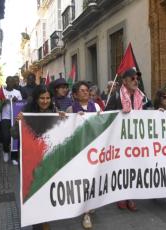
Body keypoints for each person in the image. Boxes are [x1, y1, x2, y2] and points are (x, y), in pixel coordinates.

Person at [15, 85, 65, 230]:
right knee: (34, 191)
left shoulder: (55, 112)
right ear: (36, 99)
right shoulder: (26, 113)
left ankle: (44, 221)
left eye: (47, 98)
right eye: (42, 98)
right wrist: (19, 122)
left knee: (46, 191)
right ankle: (39, 223)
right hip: (30, 160)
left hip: (48, 159)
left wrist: (64, 119)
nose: (45, 101)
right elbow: (13, 134)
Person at [105, 68, 145, 211]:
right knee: (122, 167)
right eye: (132, 78)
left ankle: (131, 196)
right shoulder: (116, 96)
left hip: (136, 140)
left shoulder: (142, 96)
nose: (136, 81)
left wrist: (159, 112)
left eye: (137, 79)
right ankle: (121, 196)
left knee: (133, 167)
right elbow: (107, 116)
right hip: (120, 140)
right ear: (124, 81)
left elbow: (150, 110)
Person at [66, 81, 101, 229]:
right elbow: (66, 130)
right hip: (79, 150)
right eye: (82, 91)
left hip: (94, 149)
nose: (86, 92)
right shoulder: (70, 108)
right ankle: (85, 214)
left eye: (87, 90)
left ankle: (90, 204)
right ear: (75, 95)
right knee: (84, 180)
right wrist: (74, 118)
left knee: (93, 178)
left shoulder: (97, 107)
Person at [1, 76, 22, 164]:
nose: (10, 83)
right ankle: (5, 151)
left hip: (15, 118)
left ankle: (14, 157)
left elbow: (21, 104)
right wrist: (3, 102)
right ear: (6, 82)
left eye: (12, 82)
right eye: (8, 81)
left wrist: (17, 101)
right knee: (5, 137)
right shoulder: (2, 92)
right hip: (5, 118)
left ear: (14, 83)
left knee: (15, 137)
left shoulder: (17, 92)